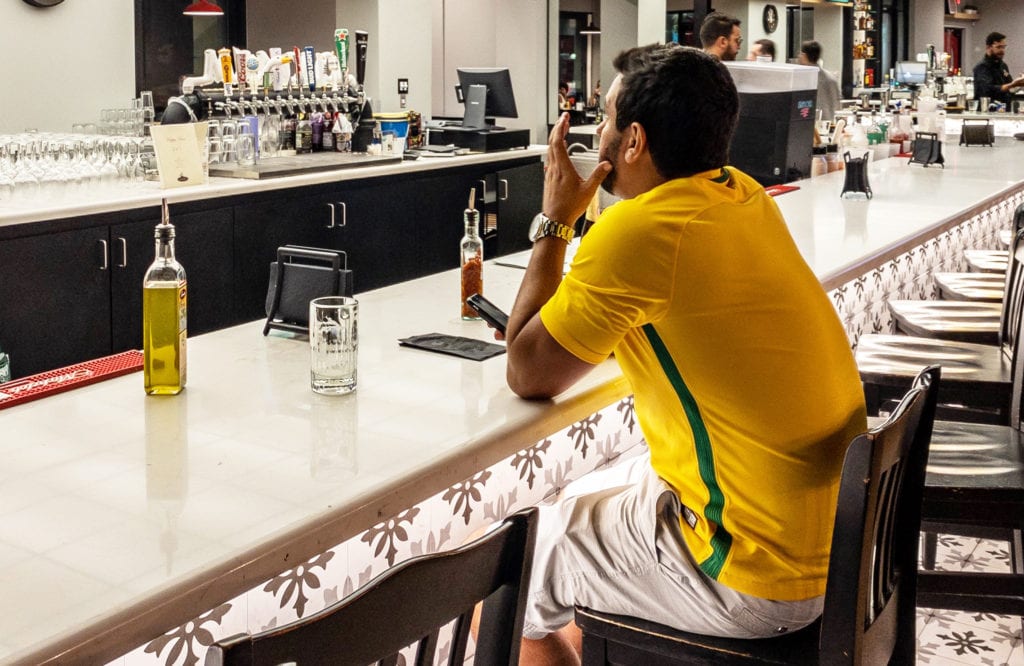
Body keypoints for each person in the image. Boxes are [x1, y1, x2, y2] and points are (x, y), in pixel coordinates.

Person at [503, 43, 867, 664]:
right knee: (599, 494)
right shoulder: (744, 194)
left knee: (522, 570)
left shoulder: (634, 234)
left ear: (635, 141)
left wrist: (557, 221)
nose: (598, 133)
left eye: (608, 120)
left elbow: (527, 372)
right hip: (834, 544)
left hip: (756, 574)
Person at [973, 32, 1024, 106]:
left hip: (1004, 109)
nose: (1002, 50)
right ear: (988, 47)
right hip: (988, 109)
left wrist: (1019, 83)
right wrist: (1012, 85)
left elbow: (1010, 86)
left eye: (1003, 47)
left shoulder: (1003, 66)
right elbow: (987, 90)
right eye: (999, 47)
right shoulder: (982, 67)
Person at [799, 40, 841, 121]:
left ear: (804, 56)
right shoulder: (832, 77)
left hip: (813, 126)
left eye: (800, 54)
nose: (799, 56)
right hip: (831, 123)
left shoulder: (804, 79)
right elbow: (837, 103)